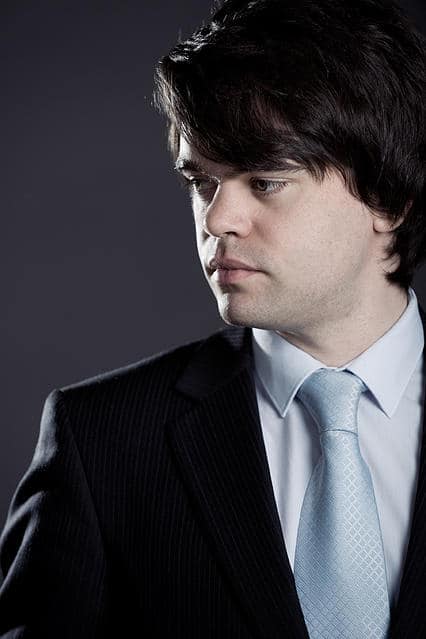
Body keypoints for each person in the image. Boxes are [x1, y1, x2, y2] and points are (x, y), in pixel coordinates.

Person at [1, 0, 425, 636]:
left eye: (265, 181)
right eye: (202, 183)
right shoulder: (101, 440)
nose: (217, 219)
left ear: (387, 198)